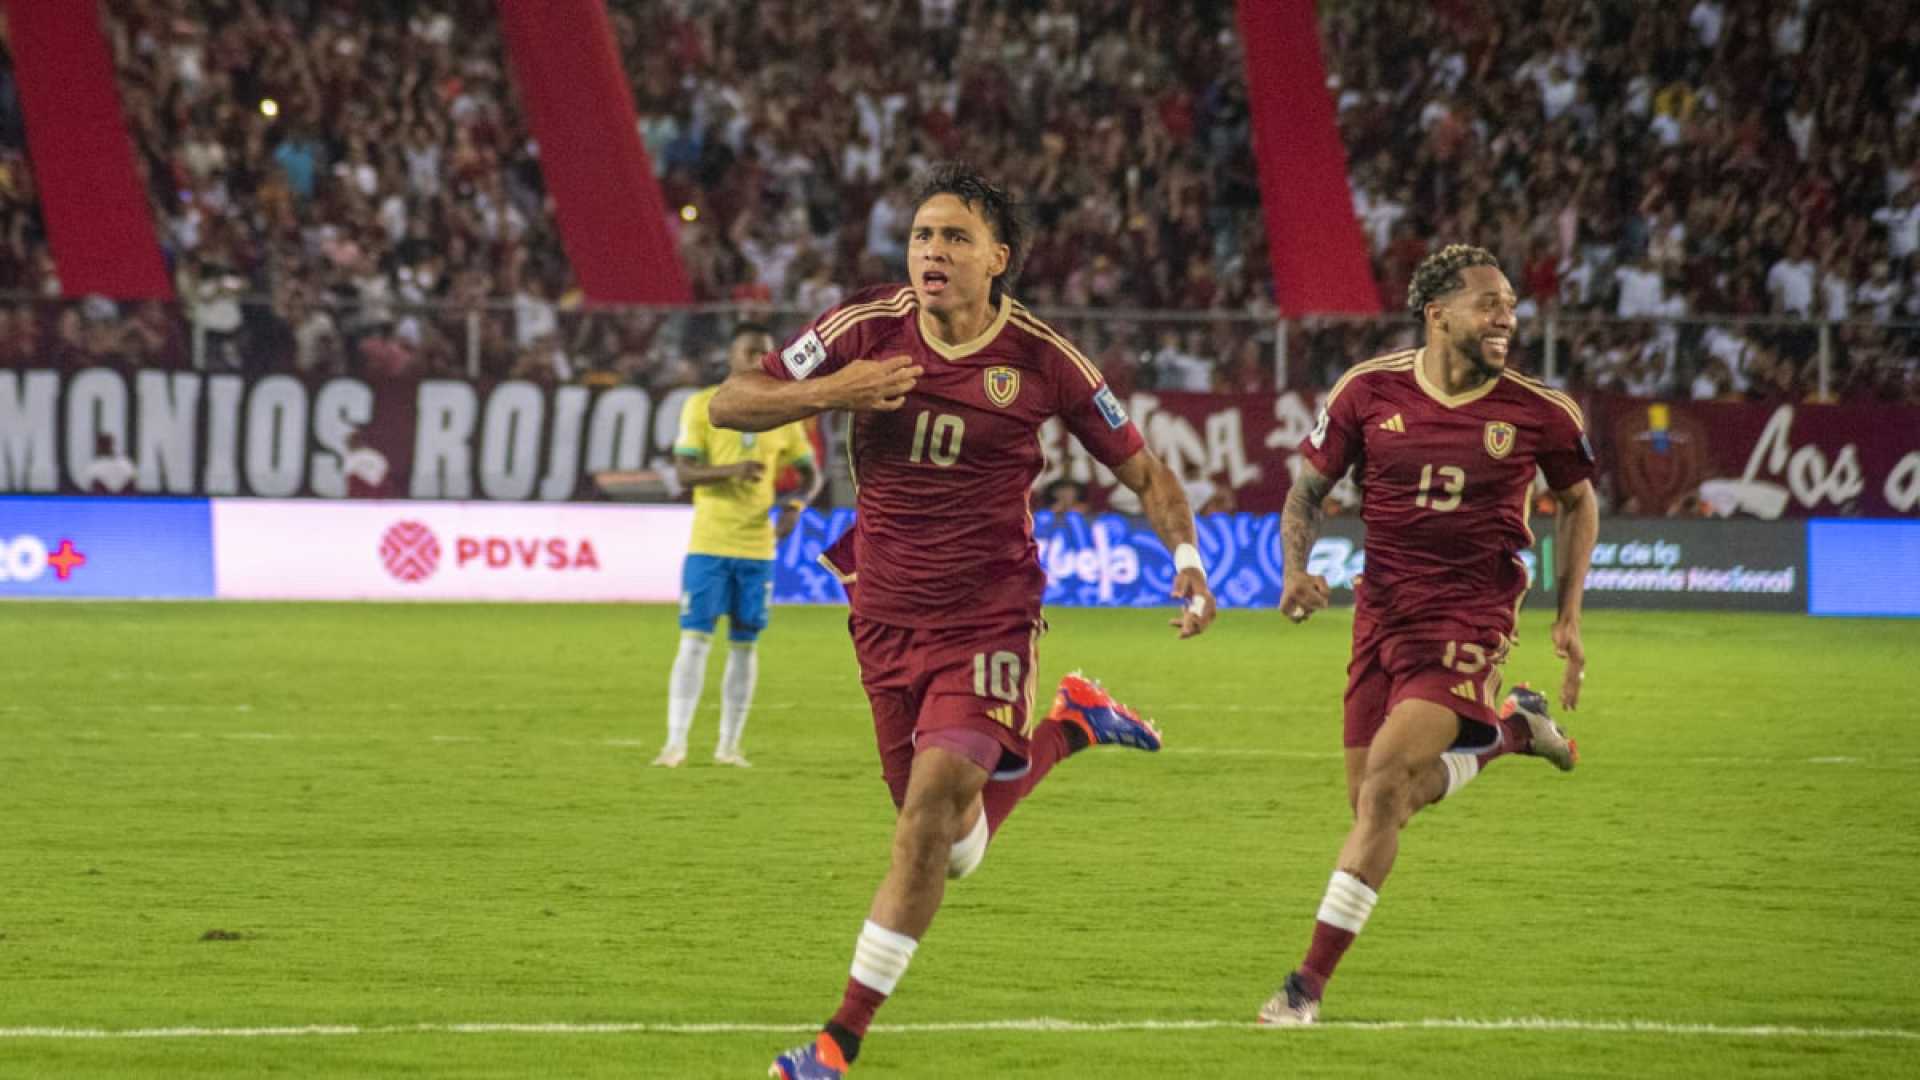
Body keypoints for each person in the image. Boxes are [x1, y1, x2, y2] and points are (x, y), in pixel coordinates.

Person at [707, 164, 1218, 1079]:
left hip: (990, 614)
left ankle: (838, 1042)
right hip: (884, 613)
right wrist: (833, 391)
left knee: (926, 827)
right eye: (921, 236)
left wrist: (1187, 564)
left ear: (999, 259)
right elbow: (731, 402)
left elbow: (1144, 470)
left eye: (953, 238)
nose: (932, 253)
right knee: (952, 845)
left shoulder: (1044, 359)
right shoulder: (865, 327)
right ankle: (1070, 726)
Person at [1260, 244, 1599, 1026]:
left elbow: (1579, 502)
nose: (1506, 318)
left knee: (1383, 786)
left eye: (1510, 305)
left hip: (1471, 615)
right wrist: (1293, 572)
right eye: (1490, 304)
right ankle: (1514, 731)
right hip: (1381, 613)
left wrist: (1569, 613)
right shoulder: (1368, 391)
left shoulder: (1540, 412)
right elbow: (1308, 490)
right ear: (1437, 311)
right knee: (1380, 803)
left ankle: (1303, 988)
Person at [605, 323, 821, 769]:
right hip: (709, 544)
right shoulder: (703, 405)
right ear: (731, 355)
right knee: (695, 642)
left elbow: (810, 472)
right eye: (748, 352)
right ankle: (675, 744)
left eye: (763, 353)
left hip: (758, 548)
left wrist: (796, 505)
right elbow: (683, 473)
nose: (757, 360)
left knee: (745, 645)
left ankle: (729, 747)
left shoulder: (785, 410)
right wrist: (730, 471)